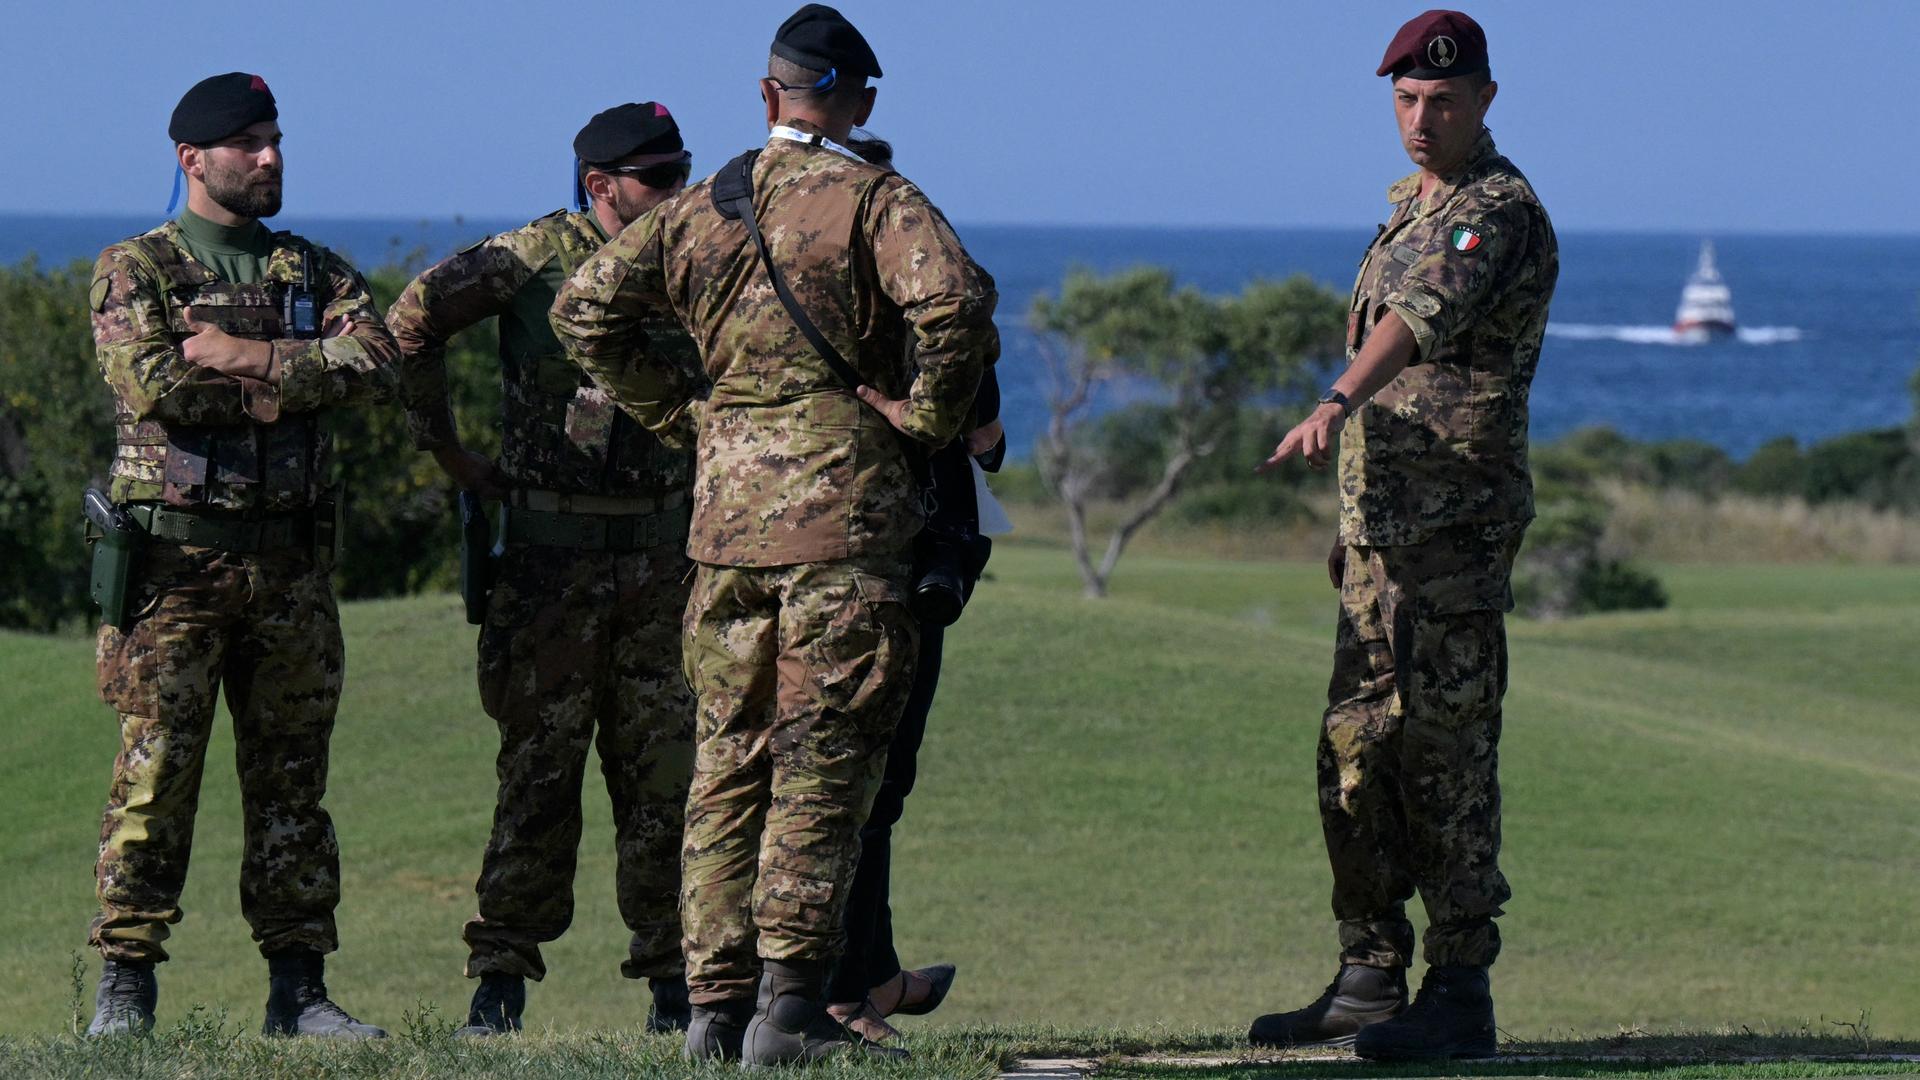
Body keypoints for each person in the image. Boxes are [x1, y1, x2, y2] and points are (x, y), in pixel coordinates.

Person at [551, 4, 998, 1064]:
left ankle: (711, 1006)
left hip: (724, 528)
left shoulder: (701, 207)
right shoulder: (875, 197)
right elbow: (956, 307)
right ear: (858, 101)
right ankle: (790, 1007)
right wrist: (929, 418)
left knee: (726, 763)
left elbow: (582, 313)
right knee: (822, 763)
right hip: (843, 524)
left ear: (767, 95)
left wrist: (683, 416)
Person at [1248, 9, 1558, 1062]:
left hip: (1453, 536)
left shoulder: (1496, 212)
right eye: (1406, 102)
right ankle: (1369, 974)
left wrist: (1335, 397)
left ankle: (1460, 988)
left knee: (1445, 756)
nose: (1421, 119)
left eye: (1442, 101)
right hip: (1380, 535)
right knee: (1353, 751)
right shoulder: (1406, 211)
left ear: (1484, 100)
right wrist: (1349, 517)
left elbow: (1419, 320)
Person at [83, 71, 400, 1039]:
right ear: (194, 159)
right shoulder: (136, 269)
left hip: (290, 570)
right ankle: (125, 989)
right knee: (154, 778)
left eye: (275, 139)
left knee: (294, 785)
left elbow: (381, 364)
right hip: (175, 570)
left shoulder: (312, 270)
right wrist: (301, 379)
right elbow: (157, 387)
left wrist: (248, 359)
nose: (270, 158)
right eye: (249, 143)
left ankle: (299, 990)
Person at [385, 103, 701, 1037]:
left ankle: (677, 987)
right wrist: (444, 451)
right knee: (537, 775)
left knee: (669, 783)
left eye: (682, 170)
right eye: (657, 178)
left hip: (661, 559)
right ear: (601, 186)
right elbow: (410, 324)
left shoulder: (695, 254)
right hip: (550, 563)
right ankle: (500, 984)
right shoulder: (530, 255)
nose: (675, 190)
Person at [824, 131, 1005, 1044]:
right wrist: (925, 413)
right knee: (848, 779)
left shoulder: (770, 264)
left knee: (876, 779)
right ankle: (836, 991)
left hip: (849, 542)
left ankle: (871, 974)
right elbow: (982, 417)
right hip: (871, 544)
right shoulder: (909, 277)